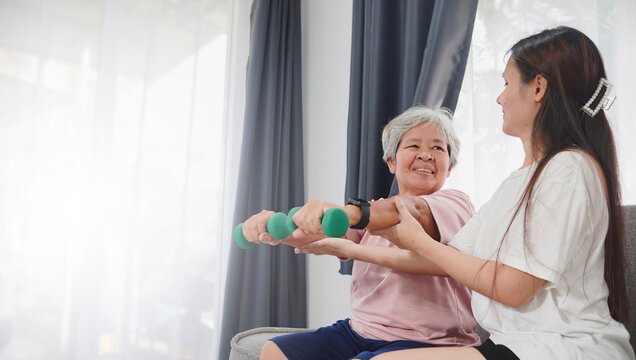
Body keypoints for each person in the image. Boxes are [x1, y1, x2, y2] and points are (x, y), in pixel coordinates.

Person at [369, 27, 635, 360]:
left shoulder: (569, 169)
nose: (499, 97)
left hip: (564, 347)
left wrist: (419, 239)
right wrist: (345, 246)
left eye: (507, 83)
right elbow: (443, 259)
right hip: (521, 343)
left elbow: (514, 288)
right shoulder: (518, 181)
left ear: (538, 87)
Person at [241, 107, 481, 360]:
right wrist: (273, 231)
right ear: (392, 162)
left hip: (427, 341)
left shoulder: (456, 203)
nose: (426, 155)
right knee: (275, 351)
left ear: (450, 167)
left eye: (438, 148)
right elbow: (323, 237)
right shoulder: (374, 210)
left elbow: (413, 210)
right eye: (413, 146)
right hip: (360, 331)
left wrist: (354, 213)